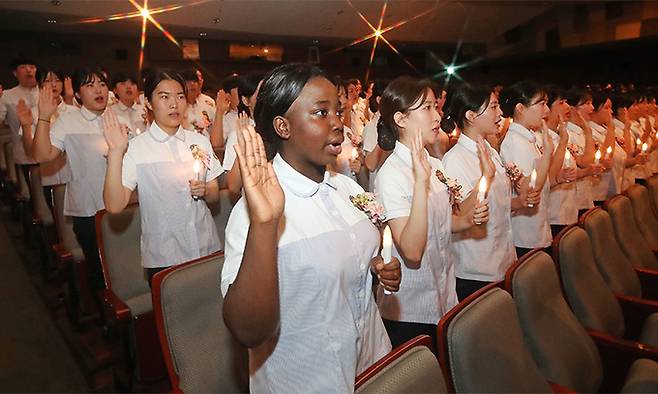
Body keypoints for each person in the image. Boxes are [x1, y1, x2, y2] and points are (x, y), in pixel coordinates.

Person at [221, 63, 400, 392]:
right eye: (321, 113)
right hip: (309, 377)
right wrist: (265, 224)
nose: (339, 124)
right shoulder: (256, 209)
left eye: (339, 110)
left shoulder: (346, 188)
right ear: (283, 126)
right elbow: (248, 331)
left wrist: (372, 267)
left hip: (370, 360)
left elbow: (340, 261)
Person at [375, 76, 490, 345]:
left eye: (436, 107)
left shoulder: (433, 163)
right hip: (412, 307)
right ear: (401, 119)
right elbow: (412, 252)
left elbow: (445, 224)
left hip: (444, 291)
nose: (437, 115)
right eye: (426, 108)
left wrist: (486, 178)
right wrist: (420, 183)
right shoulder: (391, 174)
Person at [102, 69, 222, 285]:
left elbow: (214, 194)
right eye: (164, 97)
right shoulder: (137, 148)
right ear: (148, 102)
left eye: (180, 96)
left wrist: (205, 190)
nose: (174, 104)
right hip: (165, 255)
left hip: (206, 246)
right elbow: (114, 205)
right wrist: (115, 153)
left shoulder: (199, 142)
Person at [443, 84, 529, 300]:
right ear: (471, 115)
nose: (500, 113)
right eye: (492, 107)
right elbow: (458, 214)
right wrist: (486, 177)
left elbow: (499, 203)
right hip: (478, 270)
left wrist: (521, 201)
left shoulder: (489, 150)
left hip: (505, 258)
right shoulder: (454, 160)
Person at [32, 66, 110, 293]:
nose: (98, 90)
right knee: (100, 272)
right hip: (89, 210)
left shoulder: (118, 118)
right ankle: (107, 319)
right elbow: (42, 155)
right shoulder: (68, 121)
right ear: (76, 94)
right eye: (90, 85)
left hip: (124, 209)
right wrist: (44, 117)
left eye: (102, 84)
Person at [499, 81, 553, 257]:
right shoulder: (514, 142)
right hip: (526, 235)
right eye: (541, 104)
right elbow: (528, 191)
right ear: (520, 108)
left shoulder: (529, 138)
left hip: (538, 228)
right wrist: (547, 155)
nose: (547, 111)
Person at [16, 67, 76, 209]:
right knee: (60, 227)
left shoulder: (74, 111)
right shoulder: (34, 113)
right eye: (48, 81)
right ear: (40, 85)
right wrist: (26, 126)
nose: (53, 84)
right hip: (50, 180)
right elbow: (30, 152)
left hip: (75, 179)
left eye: (57, 80)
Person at [0, 57, 39, 182]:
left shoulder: (46, 92)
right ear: (15, 73)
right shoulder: (7, 95)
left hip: (49, 155)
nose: (29, 70)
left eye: (32, 67)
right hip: (24, 155)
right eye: (23, 67)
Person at [109, 72, 146, 137]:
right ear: (115, 90)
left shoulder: (144, 111)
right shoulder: (110, 112)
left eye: (132, 84)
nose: (129, 87)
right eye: (123, 84)